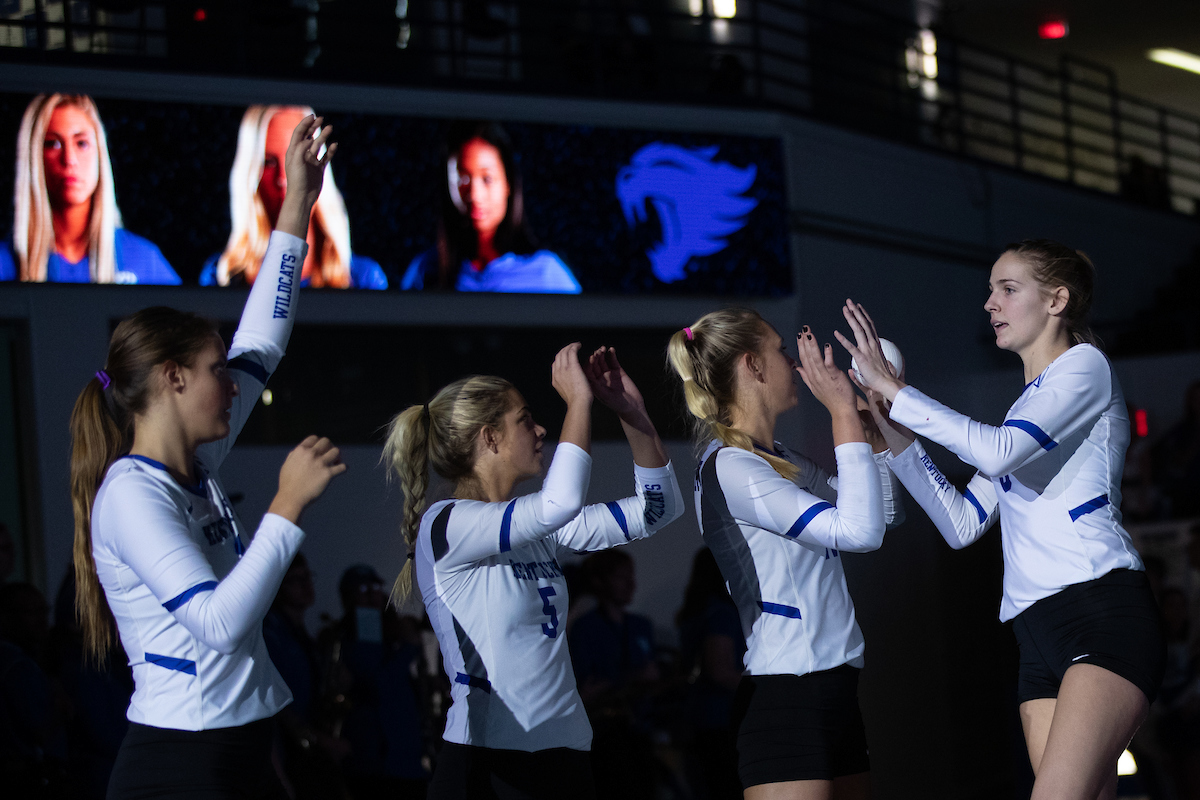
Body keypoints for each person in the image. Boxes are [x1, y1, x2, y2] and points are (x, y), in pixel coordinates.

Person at [68, 115, 348, 799]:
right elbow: (219, 627)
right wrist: (286, 505)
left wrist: (295, 207)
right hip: (180, 766)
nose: (234, 382)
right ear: (172, 379)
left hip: (237, 749)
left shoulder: (197, 462)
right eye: (217, 370)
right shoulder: (131, 497)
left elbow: (266, 339)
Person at [838, 239, 1166, 800]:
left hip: (1099, 612)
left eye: (1007, 289)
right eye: (991, 290)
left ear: (1057, 300)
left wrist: (897, 389)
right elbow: (961, 522)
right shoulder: (1023, 412)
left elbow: (994, 451)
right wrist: (892, 430)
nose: (990, 303)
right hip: (1034, 631)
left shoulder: (1083, 368)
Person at [382, 344, 683, 798]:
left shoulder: (535, 527)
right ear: (489, 438)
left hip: (566, 756)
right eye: (525, 419)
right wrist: (578, 402)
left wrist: (631, 412)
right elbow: (557, 504)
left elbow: (658, 510)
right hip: (490, 763)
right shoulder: (446, 523)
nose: (541, 429)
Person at [665, 308, 903, 800]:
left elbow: (885, 515)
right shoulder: (730, 466)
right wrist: (841, 415)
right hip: (786, 695)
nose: (796, 363)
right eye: (782, 350)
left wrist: (874, 434)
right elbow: (859, 533)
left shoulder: (783, 458)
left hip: (833, 689)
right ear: (752, 365)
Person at [200, 104, 387, 290]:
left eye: (296, 159)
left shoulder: (365, 279)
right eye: (268, 162)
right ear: (249, 171)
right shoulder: (221, 277)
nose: (283, 178)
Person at [0, 93, 179, 284]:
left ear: (100, 154)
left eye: (81, 143)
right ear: (34, 157)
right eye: (53, 143)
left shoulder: (143, 260)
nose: (69, 159)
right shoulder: (5, 263)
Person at [399, 121, 581, 294]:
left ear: (508, 183)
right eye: (463, 179)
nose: (475, 195)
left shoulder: (545, 273)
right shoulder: (426, 270)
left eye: (487, 179)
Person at [569, 549, 661, 800]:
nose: (631, 583)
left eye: (631, 575)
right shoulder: (584, 628)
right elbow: (585, 690)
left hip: (640, 730)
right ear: (600, 581)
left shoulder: (640, 625)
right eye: (622, 577)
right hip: (605, 736)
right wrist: (632, 678)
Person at [676, 547, 744, 800]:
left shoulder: (696, 612)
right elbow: (720, 670)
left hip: (700, 720)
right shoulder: (721, 614)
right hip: (720, 722)